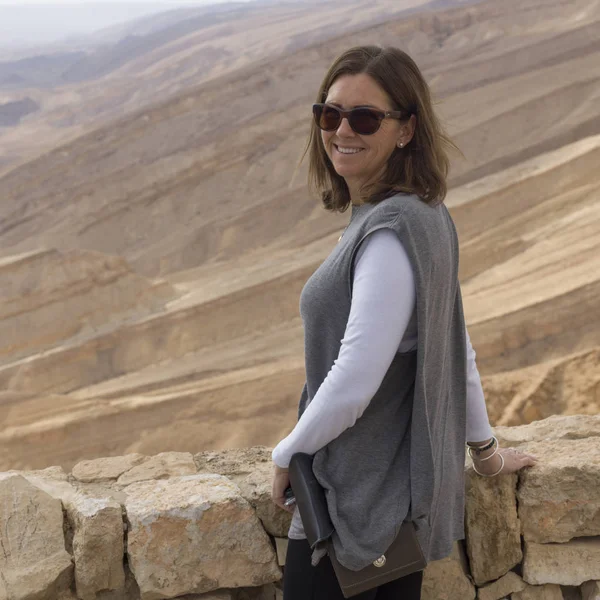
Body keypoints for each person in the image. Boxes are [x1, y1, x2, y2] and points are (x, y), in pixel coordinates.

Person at [270, 45, 537, 600]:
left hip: (354, 509)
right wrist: (484, 452)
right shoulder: (426, 216)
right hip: (393, 510)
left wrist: (287, 452)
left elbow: (356, 376)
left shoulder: (390, 233)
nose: (342, 129)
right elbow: (453, 344)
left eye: (365, 117)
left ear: (406, 130)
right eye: (330, 113)